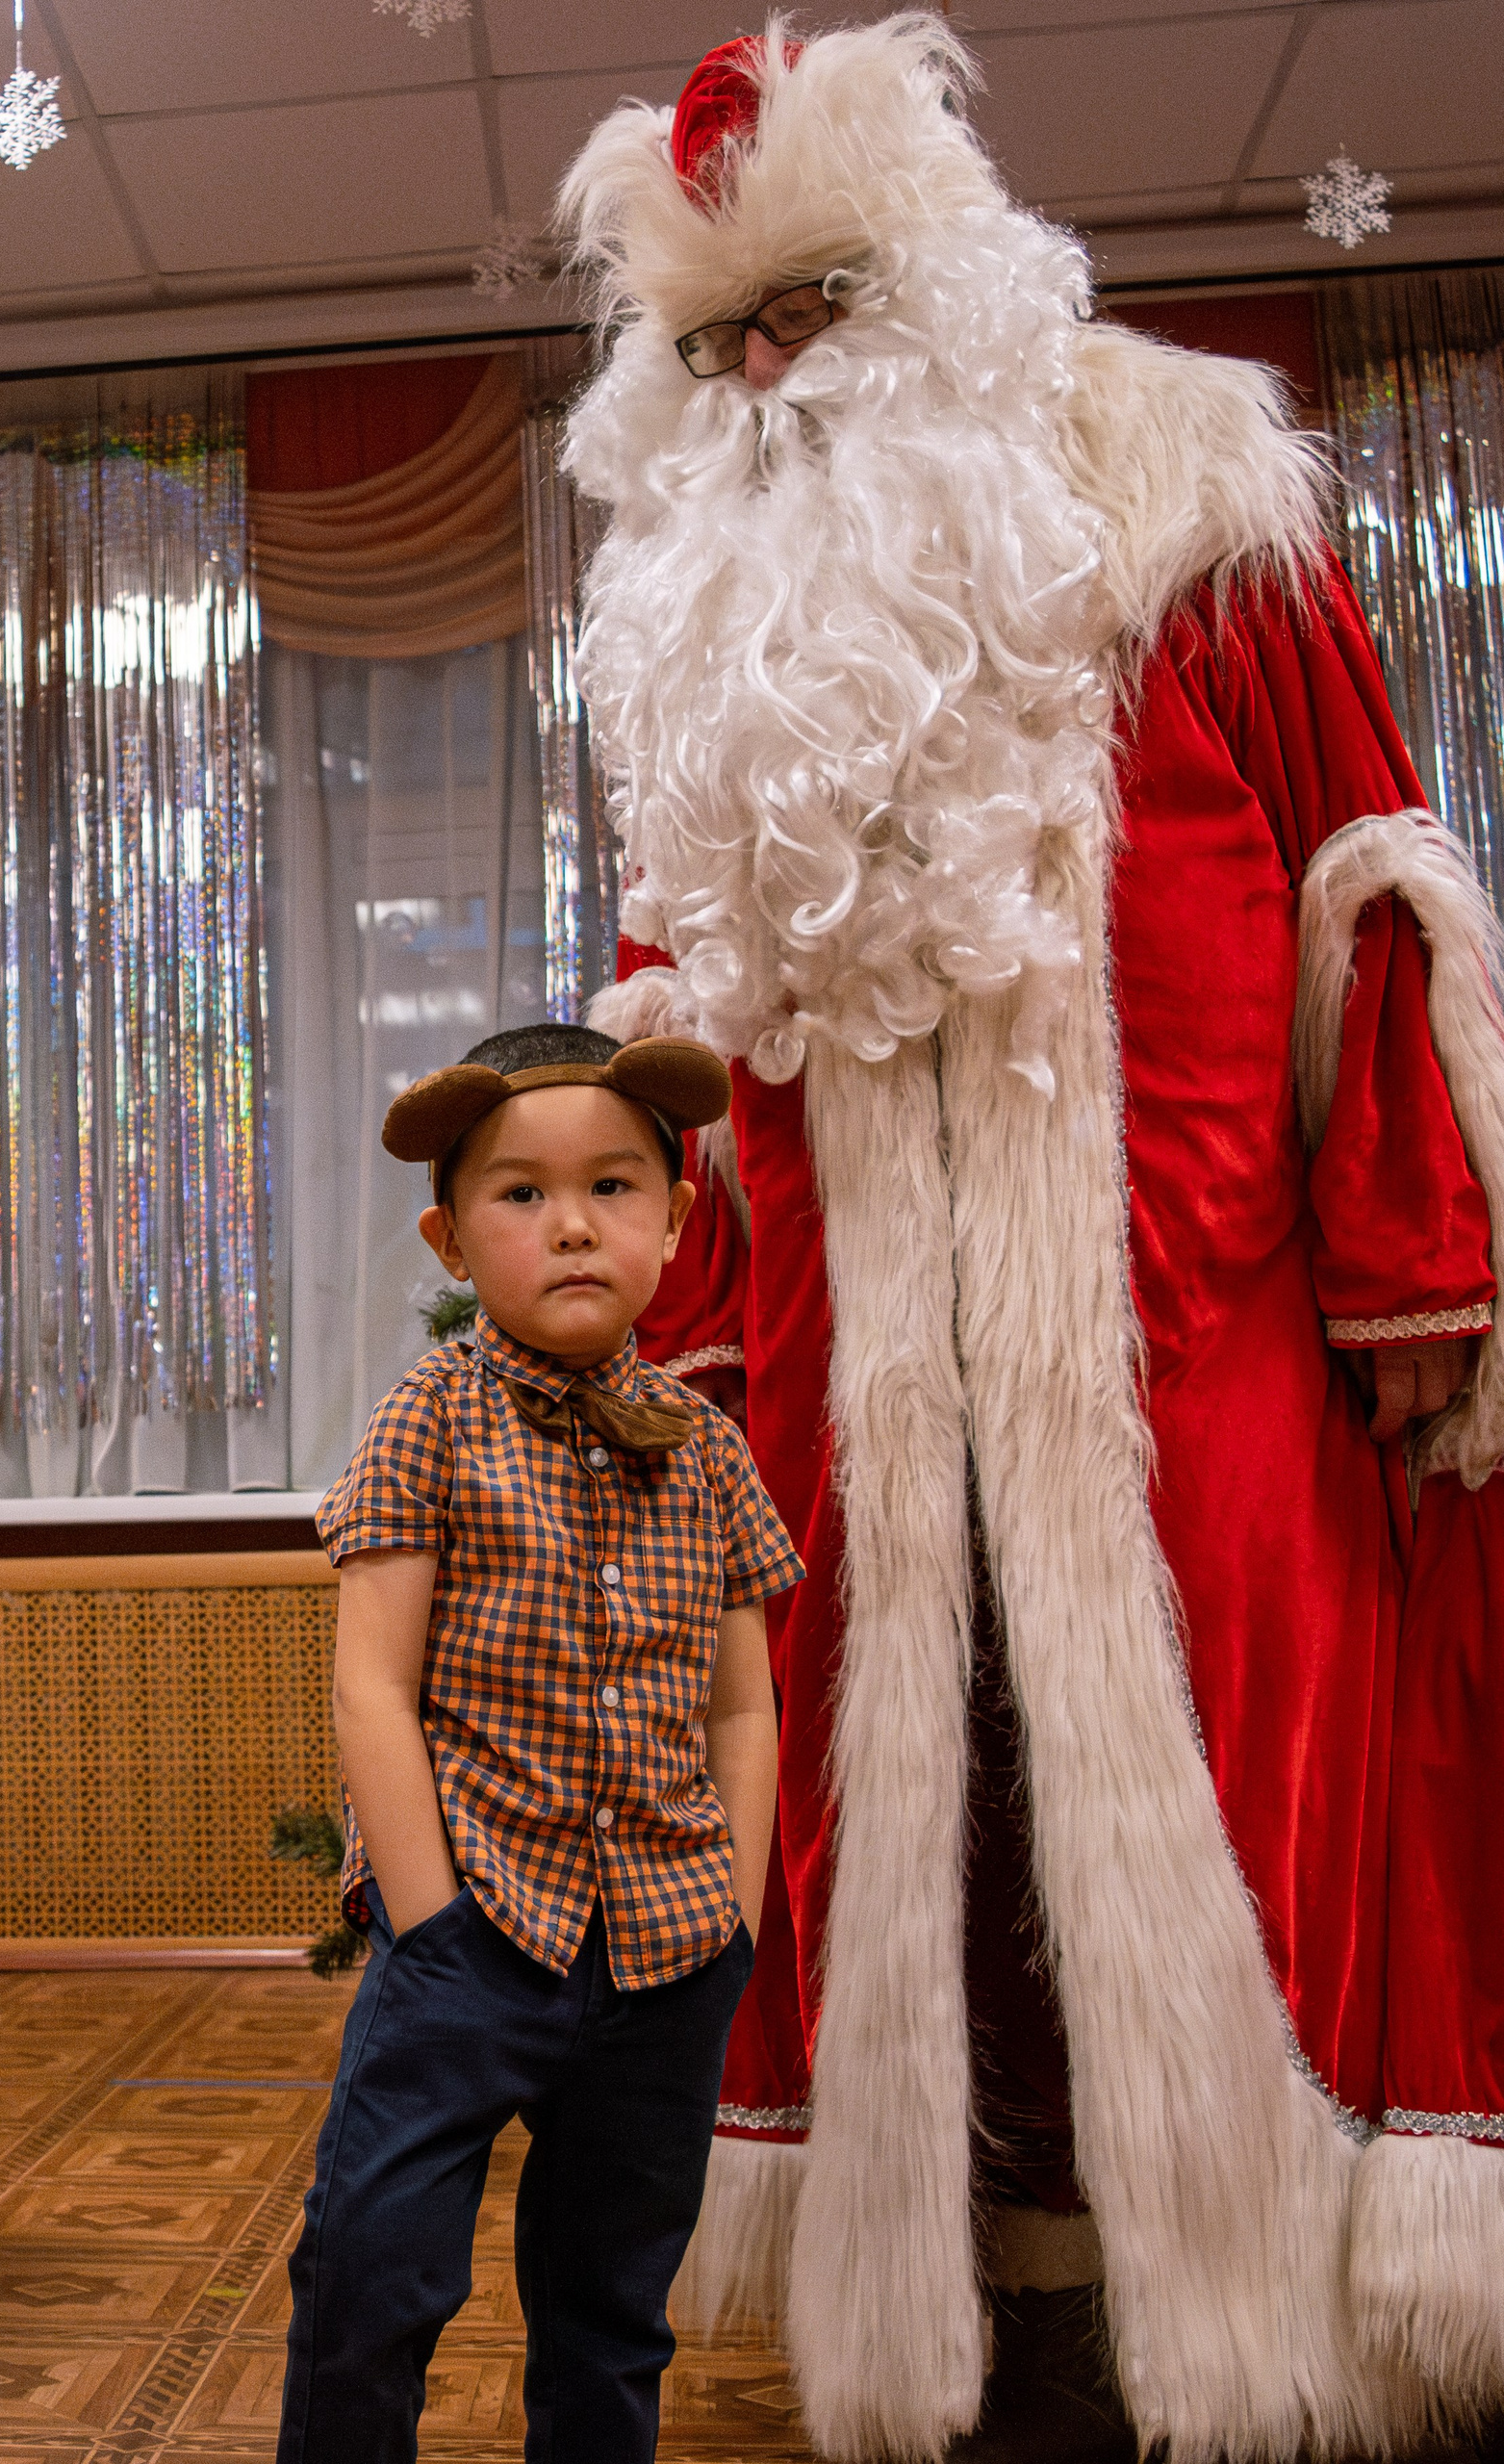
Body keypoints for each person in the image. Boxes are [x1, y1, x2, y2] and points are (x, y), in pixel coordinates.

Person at [561, 19, 1504, 2462]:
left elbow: (1360, 879)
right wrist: (671, 1340)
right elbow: (670, 1041)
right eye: (709, 343)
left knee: (1243, 1798)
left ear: (945, 288)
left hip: (1199, 1330)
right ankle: (1000, 2303)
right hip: (845, 1362)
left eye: (808, 313)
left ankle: (1268, 2318)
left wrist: (1412, 1253)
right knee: (911, 1828)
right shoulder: (699, 643)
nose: (761, 379)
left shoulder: (1184, 507)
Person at [277, 1022, 803, 2464]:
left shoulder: (706, 1447)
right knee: (372, 2279)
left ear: (678, 1218)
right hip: (476, 1935)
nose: (571, 1223)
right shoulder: (427, 1424)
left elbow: (742, 1703)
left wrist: (736, 1913)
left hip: (670, 1950)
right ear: (451, 1240)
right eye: (520, 1194)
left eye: (615, 1187)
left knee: (611, 2307)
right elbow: (371, 1689)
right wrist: (432, 1920)